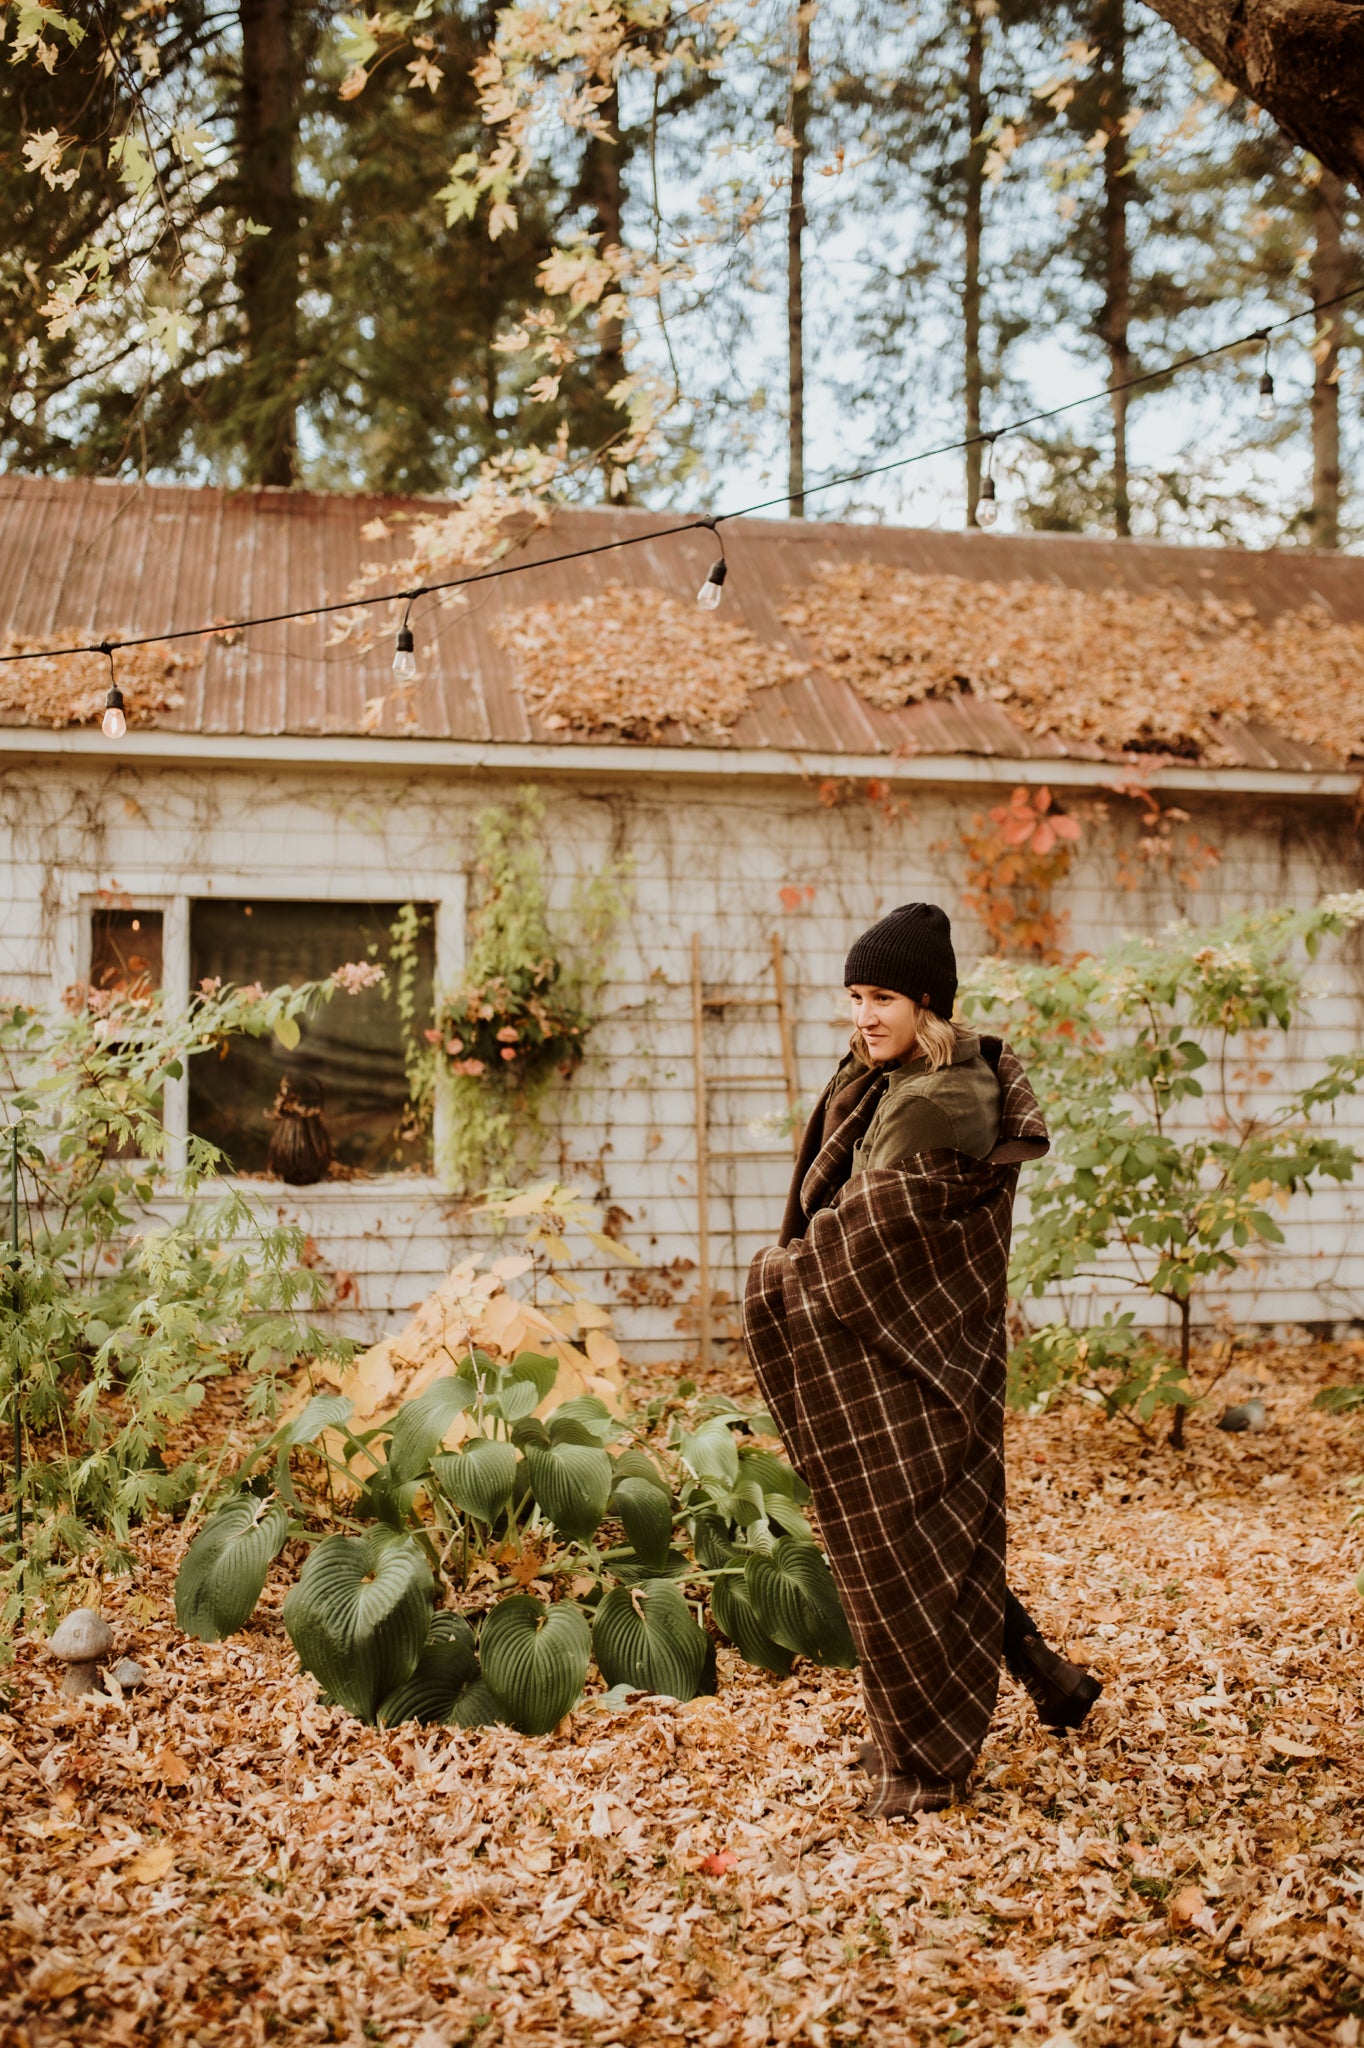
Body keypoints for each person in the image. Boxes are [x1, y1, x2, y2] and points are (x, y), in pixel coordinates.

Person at [744, 902, 1101, 1820]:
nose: (864, 1015)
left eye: (885, 997)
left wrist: (787, 1275)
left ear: (929, 1003)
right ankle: (1038, 1677)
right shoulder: (889, 1077)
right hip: (905, 1344)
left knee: (909, 1538)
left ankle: (928, 1753)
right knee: (930, 1535)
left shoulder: (935, 1098)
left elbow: (875, 1239)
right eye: (855, 994)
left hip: (921, 1345)